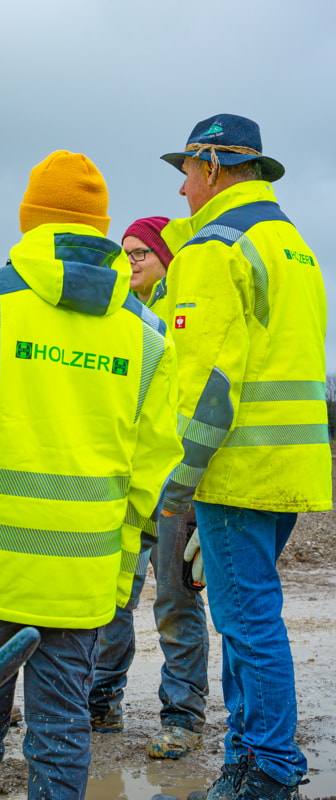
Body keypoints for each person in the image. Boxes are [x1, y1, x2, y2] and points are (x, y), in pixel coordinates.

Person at [0, 150, 183, 799]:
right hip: (80, 579)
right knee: (62, 729)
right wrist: (117, 577)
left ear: (28, 221)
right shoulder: (149, 335)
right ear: (100, 228)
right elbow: (151, 476)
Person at [157, 115, 332, 800]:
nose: (181, 192)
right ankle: (245, 757)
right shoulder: (292, 245)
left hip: (237, 470)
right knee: (245, 617)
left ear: (210, 166)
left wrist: (181, 481)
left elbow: (209, 382)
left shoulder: (215, 248)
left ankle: (268, 768)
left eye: (184, 175)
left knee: (248, 622)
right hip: (289, 467)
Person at [90, 217, 209, 761]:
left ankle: (182, 715)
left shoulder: (184, 314)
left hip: (175, 480)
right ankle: (101, 701)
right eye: (126, 252)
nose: (131, 261)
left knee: (174, 599)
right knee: (114, 595)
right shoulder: (117, 315)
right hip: (127, 476)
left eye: (142, 252)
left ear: (166, 257)